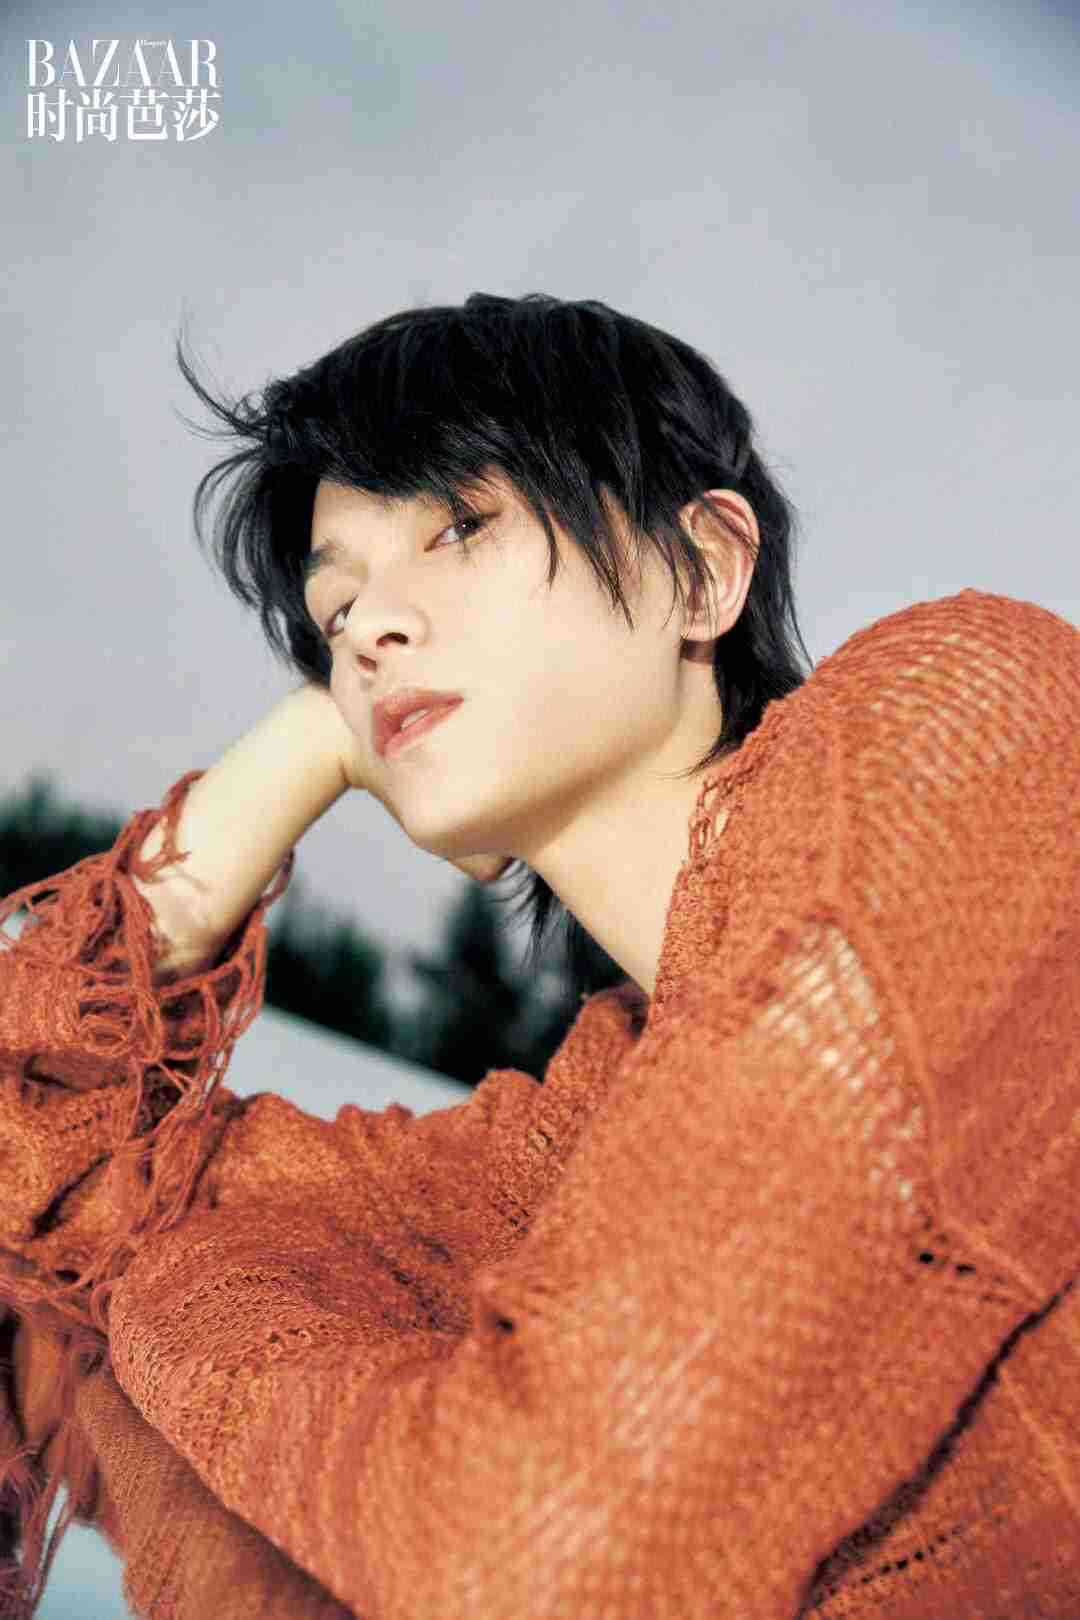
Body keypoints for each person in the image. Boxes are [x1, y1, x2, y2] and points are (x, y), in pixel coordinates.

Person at [0, 291, 1076, 1620]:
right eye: (334, 610)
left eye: (460, 527)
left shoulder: (961, 736)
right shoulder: (569, 1146)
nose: (370, 631)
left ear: (703, 570)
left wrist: (170, 1302)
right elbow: (44, 1178)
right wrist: (305, 749)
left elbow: (535, 1554)